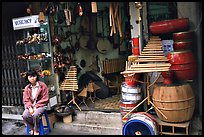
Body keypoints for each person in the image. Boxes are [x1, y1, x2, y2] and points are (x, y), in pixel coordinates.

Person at [22, 69, 49, 135]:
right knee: (25, 115)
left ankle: (36, 130)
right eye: (30, 77)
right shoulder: (27, 88)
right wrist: (30, 107)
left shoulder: (43, 86)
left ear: (36, 76)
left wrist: (36, 107)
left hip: (41, 105)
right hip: (31, 106)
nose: (32, 78)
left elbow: (45, 99)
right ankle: (32, 128)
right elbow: (26, 99)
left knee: (35, 114)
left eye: (33, 76)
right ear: (27, 78)